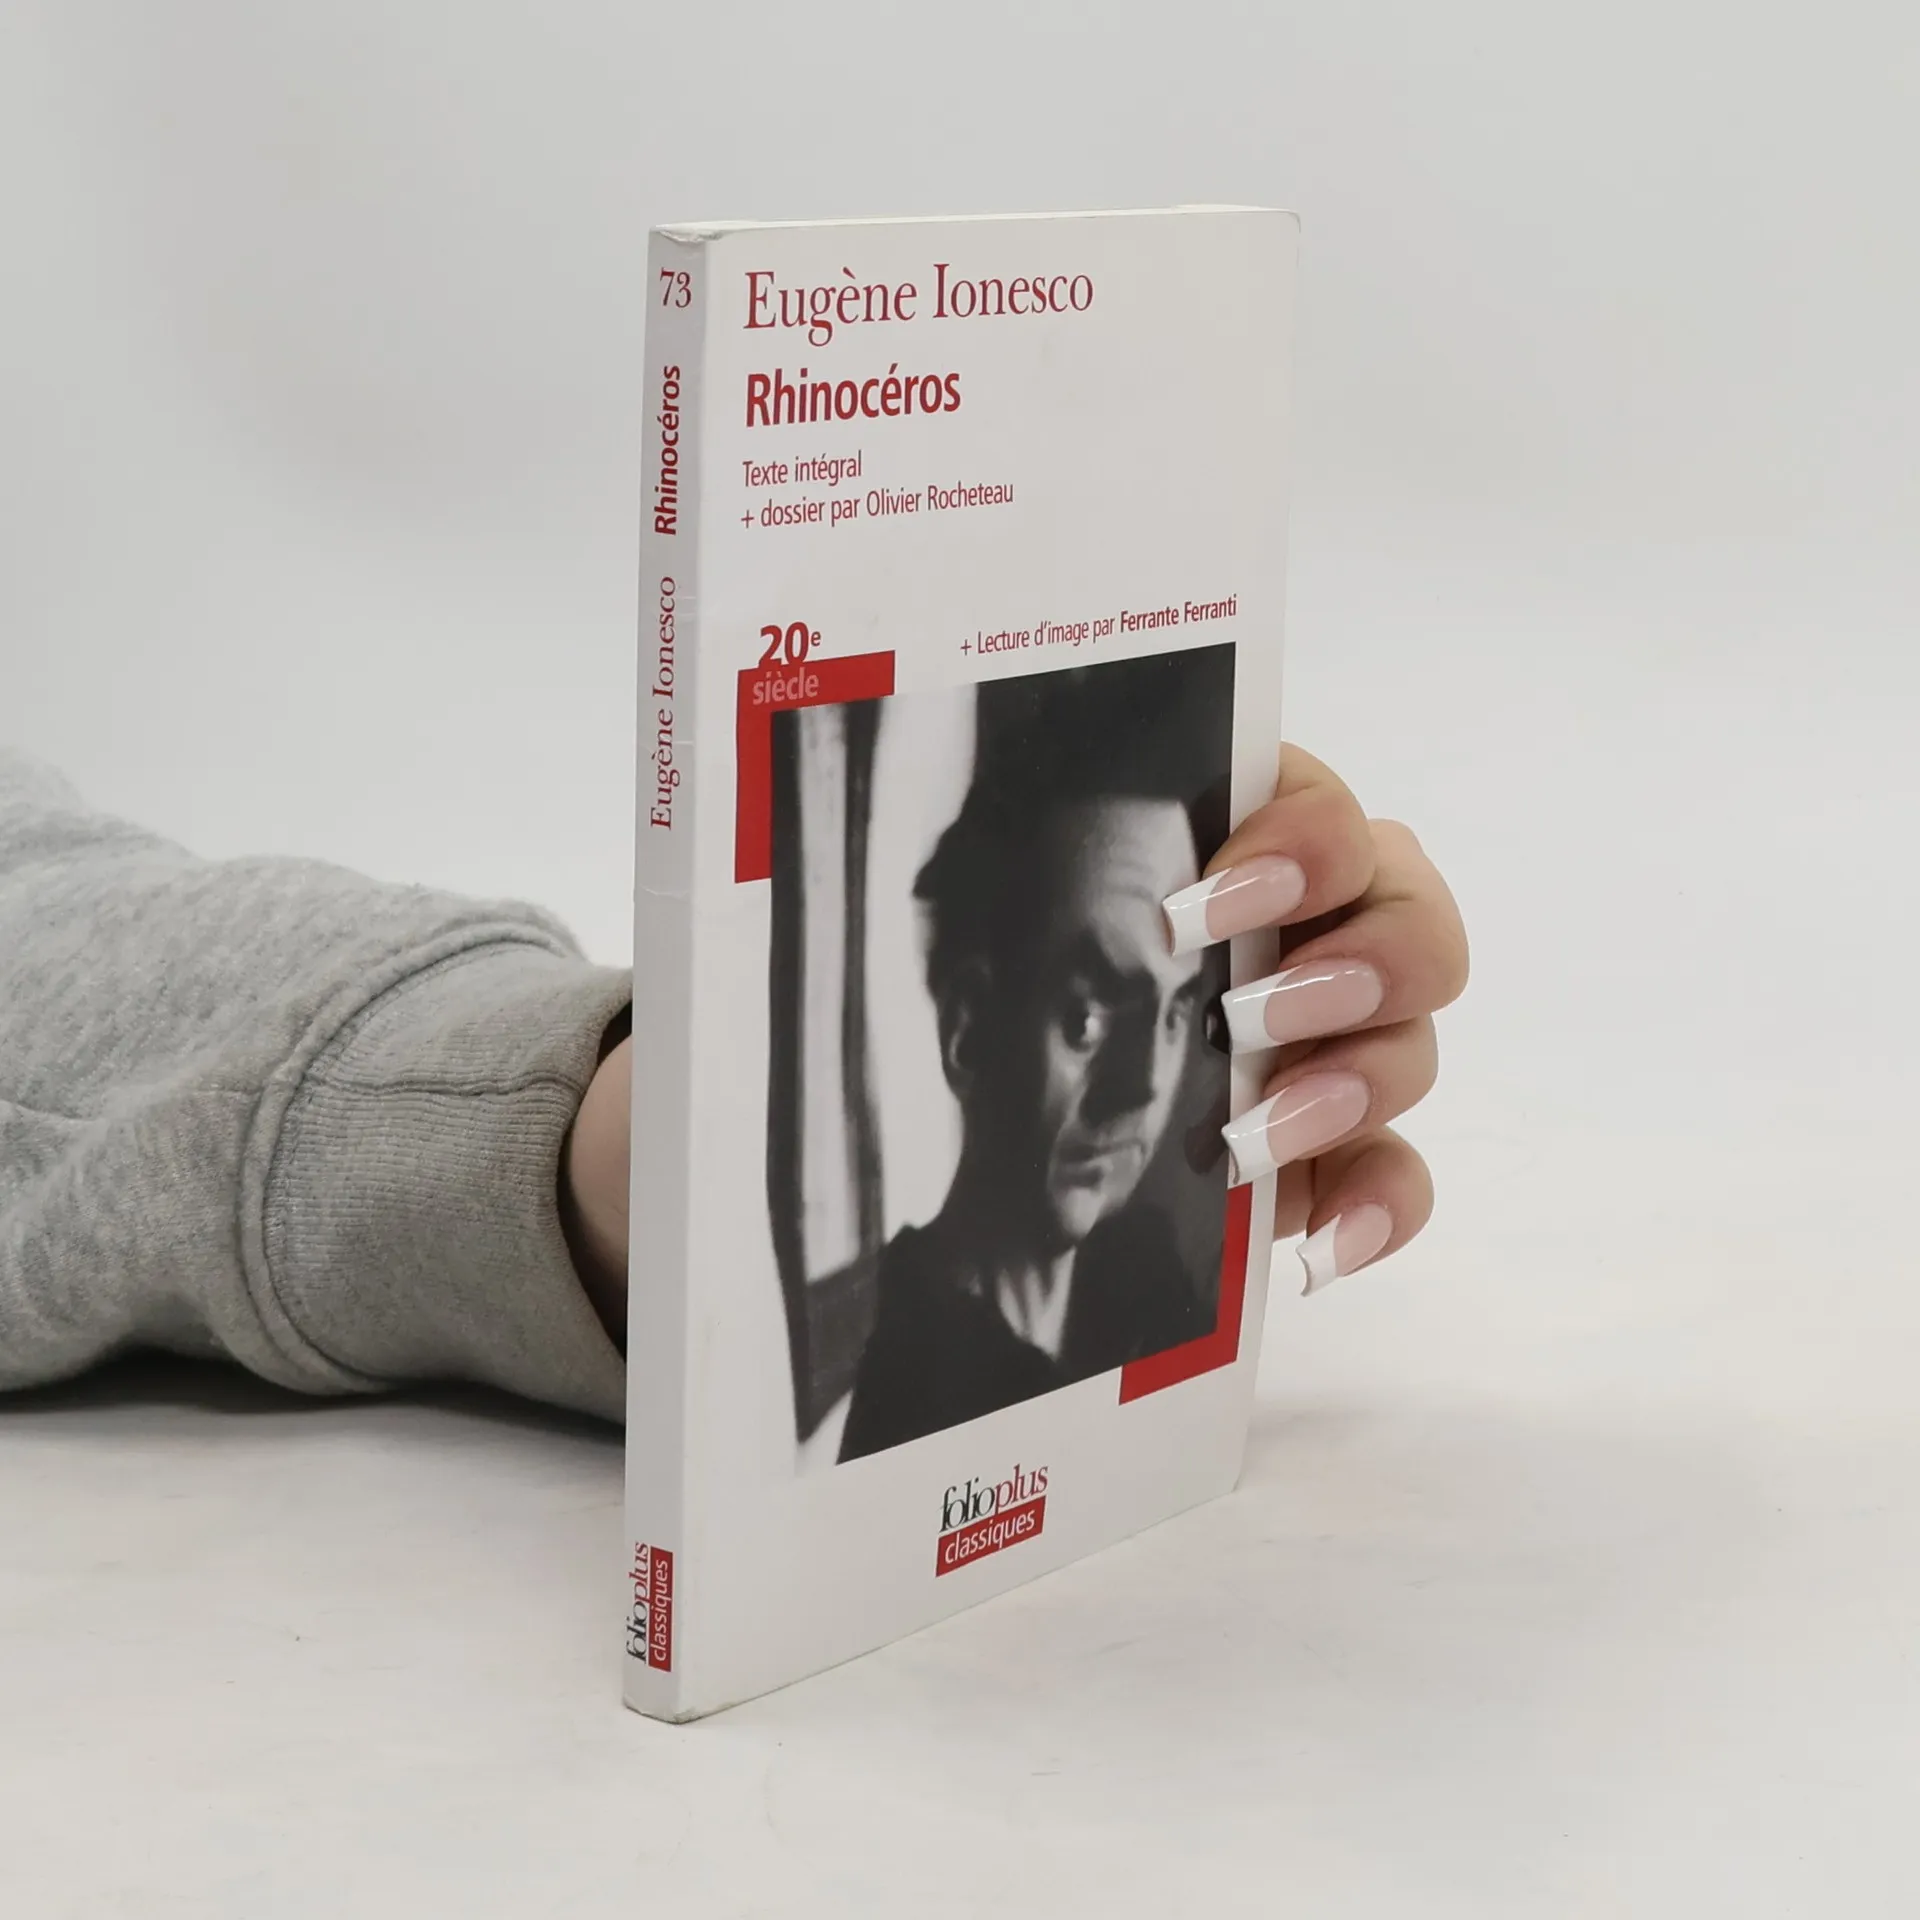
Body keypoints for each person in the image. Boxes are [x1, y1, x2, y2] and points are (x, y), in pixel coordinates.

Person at [0, 737, 1467, 1422]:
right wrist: (536, 1135)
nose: (1147, 1086)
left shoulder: (1118, 1308)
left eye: (1182, 1010)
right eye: (1087, 1007)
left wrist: (611, 1151)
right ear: (966, 1023)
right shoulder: (850, 1344)